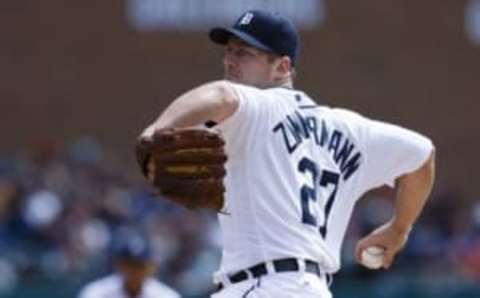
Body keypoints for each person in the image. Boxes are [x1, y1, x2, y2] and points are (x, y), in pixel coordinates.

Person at [141, 9, 435, 298]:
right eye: (229, 51)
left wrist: (155, 131)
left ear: (282, 67)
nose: (230, 60)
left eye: (244, 53)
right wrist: (399, 228)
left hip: (265, 286)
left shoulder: (260, 106)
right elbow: (422, 156)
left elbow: (220, 95)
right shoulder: (349, 128)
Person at [77, 231, 180, 298]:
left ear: (151, 267)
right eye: (129, 265)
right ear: (119, 265)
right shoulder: (96, 293)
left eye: (139, 266)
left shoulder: (166, 296)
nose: (134, 272)